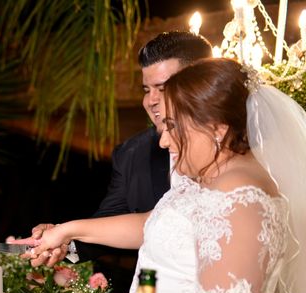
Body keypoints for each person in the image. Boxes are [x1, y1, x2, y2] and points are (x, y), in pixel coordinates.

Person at [26, 58, 306, 293]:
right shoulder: (210, 177)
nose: (164, 139)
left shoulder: (242, 194)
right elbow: (158, 226)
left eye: (174, 126)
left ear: (217, 129)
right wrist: (69, 229)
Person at [27, 31, 212, 271]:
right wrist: (65, 241)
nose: (150, 101)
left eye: (162, 88)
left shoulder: (238, 150)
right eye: (146, 89)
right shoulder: (132, 153)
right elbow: (113, 222)